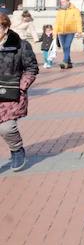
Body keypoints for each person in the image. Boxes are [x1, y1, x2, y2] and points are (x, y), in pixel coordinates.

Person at [0, 13, 40, 171]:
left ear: (6, 27)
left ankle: (16, 149)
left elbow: (31, 68)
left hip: (11, 94)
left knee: (7, 128)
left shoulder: (21, 45)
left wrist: (22, 87)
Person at [53, 0, 81, 69]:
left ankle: (65, 61)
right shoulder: (59, 11)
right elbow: (56, 22)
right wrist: (54, 32)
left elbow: (78, 21)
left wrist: (79, 31)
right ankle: (69, 63)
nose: (62, 3)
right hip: (61, 32)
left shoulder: (75, 10)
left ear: (68, 2)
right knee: (64, 48)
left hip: (70, 31)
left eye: (64, 2)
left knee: (67, 46)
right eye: (61, 2)